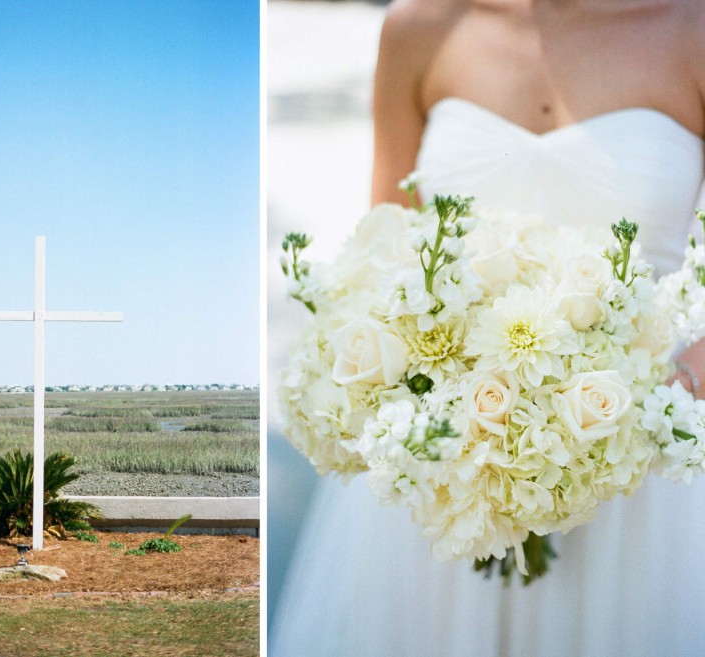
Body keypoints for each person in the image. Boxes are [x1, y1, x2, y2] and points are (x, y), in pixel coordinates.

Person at [270, 1, 705, 655]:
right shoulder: (421, 27)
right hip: (449, 471)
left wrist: (666, 391)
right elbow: (383, 251)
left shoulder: (690, 28)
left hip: (638, 469)